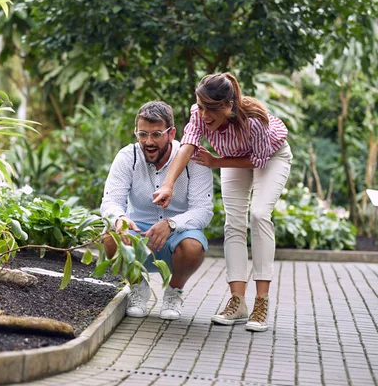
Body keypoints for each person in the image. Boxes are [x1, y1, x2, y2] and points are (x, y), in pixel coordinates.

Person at [152, 73, 292, 332]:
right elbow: (188, 146)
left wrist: (216, 162)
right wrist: (168, 185)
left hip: (270, 158)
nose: (204, 115)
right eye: (201, 107)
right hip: (232, 157)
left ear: (228, 106)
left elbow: (257, 161)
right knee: (234, 223)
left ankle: (261, 302)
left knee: (259, 215)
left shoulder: (254, 121)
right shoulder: (199, 113)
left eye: (211, 109)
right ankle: (237, 302)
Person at [101, 101, 213, 320]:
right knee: (110, 236)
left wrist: (172, 224)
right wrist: (120, 218)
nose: (148, 142)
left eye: (156, 134)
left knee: (193, 246)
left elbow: (203, 211)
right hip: (138, 235)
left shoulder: (194, 160)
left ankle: (174, 292)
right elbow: (110, 201)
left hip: (178, 236)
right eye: (142, 134)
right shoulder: (127, 157)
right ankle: (138, 287)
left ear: (171, 133)